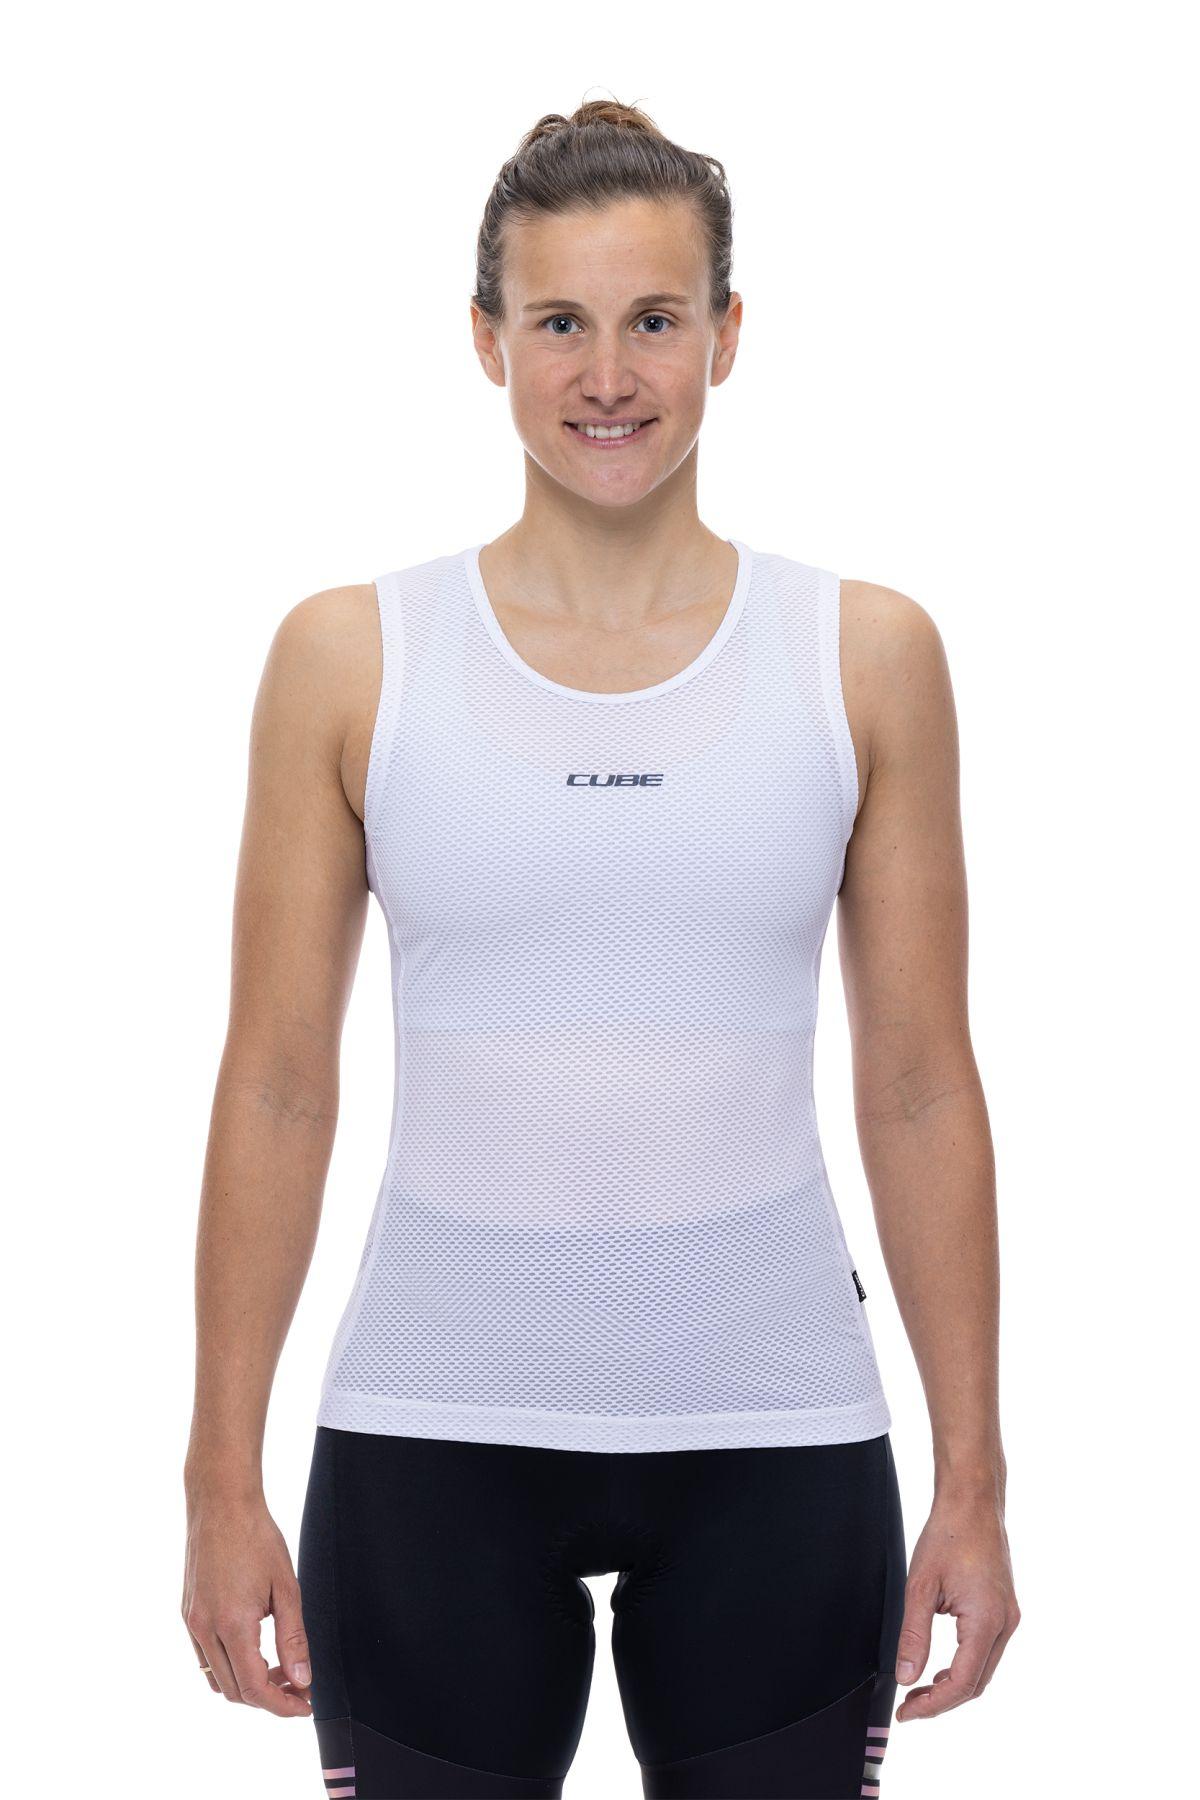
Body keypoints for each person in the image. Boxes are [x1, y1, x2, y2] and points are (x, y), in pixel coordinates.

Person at [181, 98, 1019, 1800]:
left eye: (656, 319)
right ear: (486, 339)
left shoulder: (863, 655)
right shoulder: (353, 658)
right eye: (560, 321)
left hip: (778, 1430)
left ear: (728, 334)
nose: (610, 374)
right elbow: (275, 1085)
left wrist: (976, 1482)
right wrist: (218, 1481)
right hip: (430, 1431)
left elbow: (922, 1086)